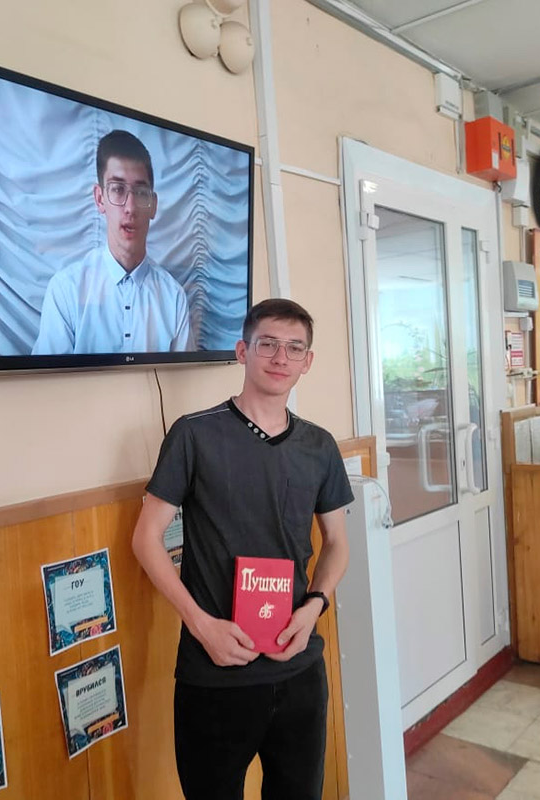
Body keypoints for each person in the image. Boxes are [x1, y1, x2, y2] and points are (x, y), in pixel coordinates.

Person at [131, 298, 353, 800]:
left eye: (294, 348)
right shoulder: (194, 434)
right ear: (242, 351)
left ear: (307, 361)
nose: (280, 357)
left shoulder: (319, 446)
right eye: (267, 344)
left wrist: (314, 607)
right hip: (214, 672)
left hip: (298, 668)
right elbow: (145, 540)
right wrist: (200, 624)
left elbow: (337, 543)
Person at [33, 130, 192, 355]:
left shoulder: (173, 297)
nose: (130, 207)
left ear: (153, 205)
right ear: (100, 199)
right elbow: (49, 377)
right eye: (118, 189)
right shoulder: (66, 289)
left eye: (141, 192)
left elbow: (186, 376)